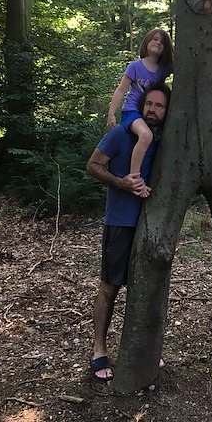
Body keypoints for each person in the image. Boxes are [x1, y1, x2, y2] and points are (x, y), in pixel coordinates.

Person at [87, 82, 171, 382]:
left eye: (159, 106)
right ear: (141, 105)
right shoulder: (121, 134)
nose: (152, 110)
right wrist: (121, 182)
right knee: (110, 287)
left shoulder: (167, 141)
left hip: (153, 225)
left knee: (145, 288)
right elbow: (93, 165)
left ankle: (143, 349)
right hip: (120, 222)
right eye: (149, 104)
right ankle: (98, 349)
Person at [107, 28, 173, 198]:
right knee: (145, 135)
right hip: (132, 112)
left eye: (163, 42)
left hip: (149, 113)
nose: (158, 43)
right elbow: (120, 90)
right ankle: (135, 179)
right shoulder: (135, 66)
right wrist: (111, 114)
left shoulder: (164, 68)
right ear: (147, 41)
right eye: (155, 39)